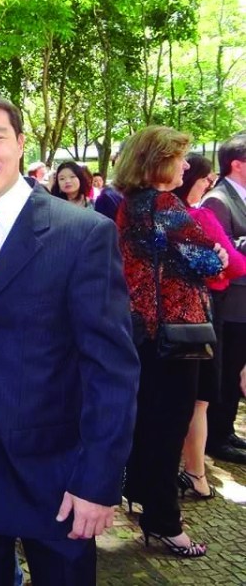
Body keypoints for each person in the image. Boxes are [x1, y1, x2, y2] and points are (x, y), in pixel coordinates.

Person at [0, 91, 139, 585]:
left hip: (55, 470)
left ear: (21, 143)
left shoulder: (82, 233)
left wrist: (98, 480)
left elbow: (111, 368)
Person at [115, 126, 225, 559]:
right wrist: (214, 254)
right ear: (158, 161)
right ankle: (164, 522)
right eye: (180, 158)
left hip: (145, 332)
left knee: (149, 422)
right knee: (168, 428)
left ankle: (145, 500)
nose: (186, 166)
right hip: (174, 335)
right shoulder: (164, 205)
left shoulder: (131, 204)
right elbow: (209, 261)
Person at [173, 153, 246, 499]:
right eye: (204, 178)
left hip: (189, 313)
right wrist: (224, 258)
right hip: (202, 312)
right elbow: (228, 266)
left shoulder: (162, 212)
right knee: (199, 398)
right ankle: (195, 472)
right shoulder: (200, 212)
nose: (208, 183)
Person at [201, 130, 246, 464]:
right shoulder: (218, 199)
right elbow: (222, 251)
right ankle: (215, 436)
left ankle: (226, 429)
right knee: (227, 370)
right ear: (237, 164)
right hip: (231, 303)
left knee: (237, 367)